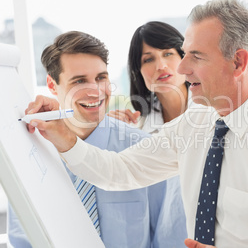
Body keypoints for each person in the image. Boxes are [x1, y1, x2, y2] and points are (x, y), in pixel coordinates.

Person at [26, 0, 248, 247]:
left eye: (195, 57)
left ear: (238, 63)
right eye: (184, 54)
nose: (182, 69)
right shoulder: (198, 120)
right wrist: (62, 132)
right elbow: (120, 171)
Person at [8, 31, 187, 248]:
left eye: (101, 78)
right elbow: (22, 238)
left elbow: (169, 238)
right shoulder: (33, 153)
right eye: (79, 81)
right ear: (52, 85)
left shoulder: (144, 147)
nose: (95, 91)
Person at [108, 21, 189, 245]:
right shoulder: (137, 129)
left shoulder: (215, 113)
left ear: (185, 57)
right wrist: (111, 133)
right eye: (148, 59)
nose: (161, 65)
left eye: (168, 54)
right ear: (138, 71)